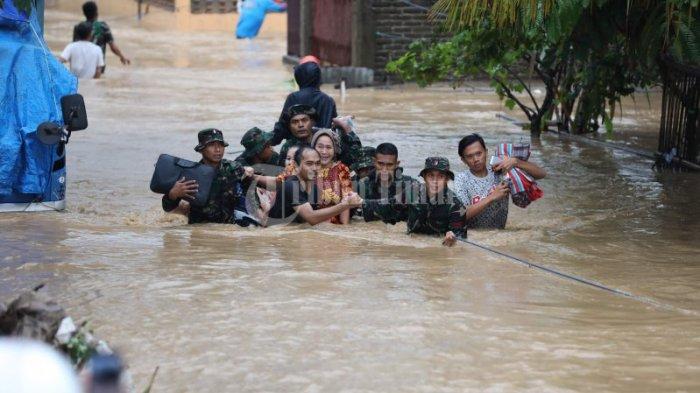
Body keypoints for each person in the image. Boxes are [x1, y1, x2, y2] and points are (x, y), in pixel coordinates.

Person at [453, 133, 547, 229]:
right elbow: (460, 215)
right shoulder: (461, 179)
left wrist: (516, 162)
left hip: (500, 236)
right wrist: (491, 197)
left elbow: (541, 174)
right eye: (469, 156)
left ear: (486, 152)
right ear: (463, 160)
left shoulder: (500, 170)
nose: (476, 159)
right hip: (474, 237)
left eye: (479, 153)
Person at [162, 128, 253, 224]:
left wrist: (250, 174)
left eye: (220, 145)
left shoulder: (233, 168)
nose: (218, 150)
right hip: (200, 231)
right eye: (211, 145)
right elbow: (167, 208)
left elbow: (249, 190)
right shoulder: (191, 174)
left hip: (228, 229)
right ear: (201, 149)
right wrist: (173, 194)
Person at [265, 147, 362, 225]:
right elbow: (311, 218)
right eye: (309, 164)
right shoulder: (291, 185)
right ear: (296, 165)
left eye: (318, 164)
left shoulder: (314, 188)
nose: (315, 168)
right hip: (275, 236)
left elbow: (308, 222)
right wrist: (344, 205)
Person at [270, 61, 337, 146]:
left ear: (298, 78)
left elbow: (281, 129)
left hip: (295, 149)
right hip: (321, 149)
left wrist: (265, 141)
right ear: (318, 78)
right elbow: (334, 130)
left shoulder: (293, 97)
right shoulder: (328, 100)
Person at [276, 104, 362, 168]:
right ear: (289, 126)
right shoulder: (288, 147)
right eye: (295, 122)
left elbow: (356, 156)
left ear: (313, 122)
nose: (300, 125)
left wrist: (346, 128)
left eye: (304, 120)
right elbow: (281, 172)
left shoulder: (327, 138)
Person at [407, 157, 466, 247]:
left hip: (438, 247)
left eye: (441, 176)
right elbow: (389, 210)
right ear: (424, 177)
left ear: (447, 179)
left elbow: (461, 238)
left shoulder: (457, 206)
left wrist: (453, 238)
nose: (435, 181)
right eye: (431, 176)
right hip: (411, 244)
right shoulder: (412, 193)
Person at [358, 143, 418, 224]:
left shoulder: (409, 185)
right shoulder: (363, 186)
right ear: (374, 162)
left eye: (389, 165)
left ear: (397, 164)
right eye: (380, 164)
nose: (384, 169)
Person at [74, 1, 130, 73]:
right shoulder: (102, 26)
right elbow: (113, 47)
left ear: (84, 14)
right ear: (96, 13)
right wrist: (122, 57)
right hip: (98, 66)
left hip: (81, 66)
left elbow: (74, 46)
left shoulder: (79, 27)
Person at [311, 129, 352, 224]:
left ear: (335, 150)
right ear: (313, 148)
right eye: (320, 147)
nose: (324, 152)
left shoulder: (342, 169)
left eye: (329, 147)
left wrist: (345, 228)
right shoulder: (307, 167)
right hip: (310, 222)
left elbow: (346, 202)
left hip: (333, 225)